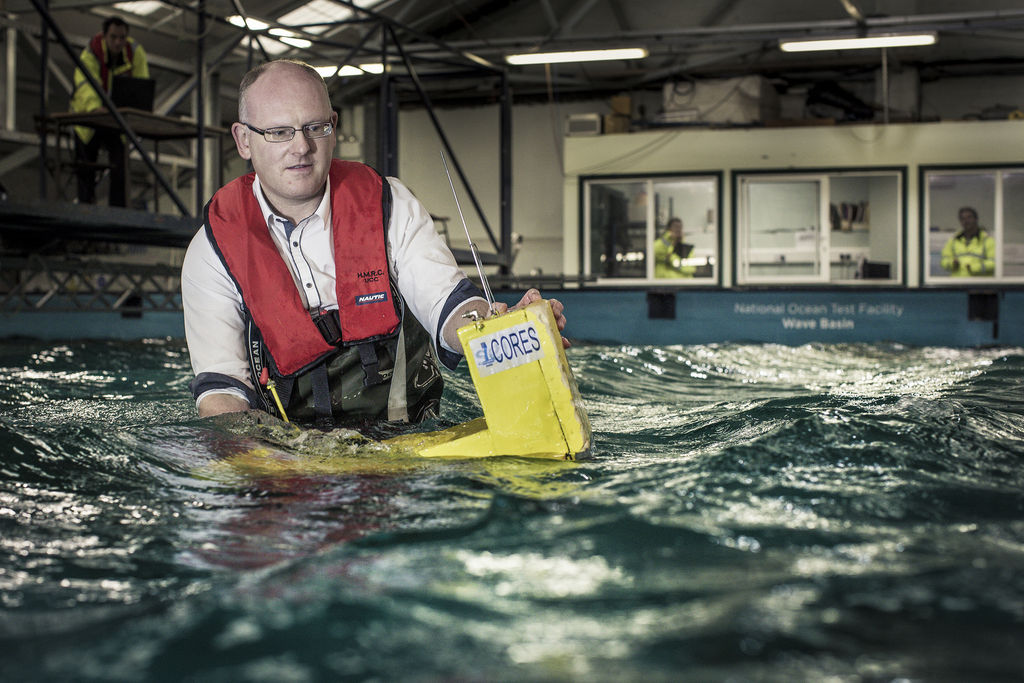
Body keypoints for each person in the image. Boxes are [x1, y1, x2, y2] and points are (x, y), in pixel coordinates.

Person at [181, 59, 567, 426]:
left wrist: (499, 328)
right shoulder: (211, 251)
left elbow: (446, 303)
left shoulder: (389, 204)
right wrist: (275, 464)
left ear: (333, 125)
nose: (301, 147)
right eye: (279, 132)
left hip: (408, 441)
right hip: (288, 457)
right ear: (243, 140)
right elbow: (222, 395)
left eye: (315, 127)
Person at [70, 16, 149, 207]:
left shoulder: (134, 52)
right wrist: (96, 108)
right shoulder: (91, 53)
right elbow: (85, 84)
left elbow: (141, 83)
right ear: (104, 36)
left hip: (117, 121)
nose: (118, 42)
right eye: (113, 37)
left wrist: (137, 108)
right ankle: (85, 206)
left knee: (120, 165)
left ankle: (118, 209)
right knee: (86, 164)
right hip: (89, 119)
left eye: (122, 38)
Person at [940, 206, 996, 277]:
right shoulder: (953, 241)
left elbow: (994, 262)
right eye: (962, 218)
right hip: (957, 285)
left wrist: (974, 268)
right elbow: (944, 260)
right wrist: (952, 264)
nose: (966, 221)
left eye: (969, 217)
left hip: (979, 285)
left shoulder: (987, 240)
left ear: (976, 219)